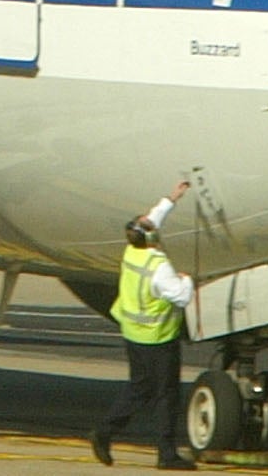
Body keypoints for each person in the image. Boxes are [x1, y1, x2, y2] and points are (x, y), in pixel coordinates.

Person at [94, 177, 197, 469]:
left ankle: (105, 430)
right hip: (158, 338)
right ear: (151, 238)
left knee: (139, 388)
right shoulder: (159, 267)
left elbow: (150, 221)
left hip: (133, 331)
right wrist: (187, 280)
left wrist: (172, 198)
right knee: (166, 396)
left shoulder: (133, 252)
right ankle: (166, 454)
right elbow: (180, 297)